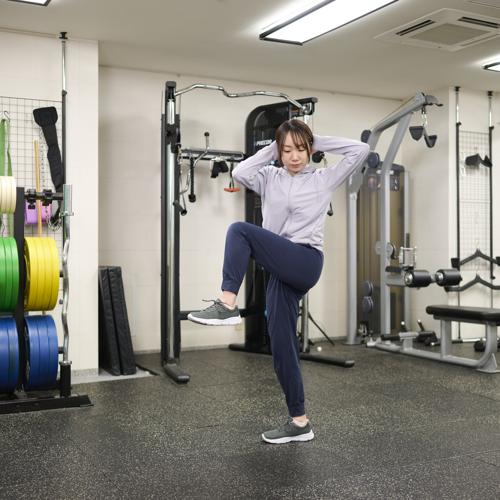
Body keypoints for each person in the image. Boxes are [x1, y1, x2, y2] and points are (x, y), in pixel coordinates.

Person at [188, 119, 370, 444]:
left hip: (304, 260)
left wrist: (314, 140)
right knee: (281, 343)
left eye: (300, 149)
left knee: (239, 231)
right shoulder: (270, 178)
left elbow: (361, 149)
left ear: (309, 150)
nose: (294, 156)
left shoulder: (323, 178)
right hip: (279, 266)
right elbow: (240, 172)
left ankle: (227, 302)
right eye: (286, 150)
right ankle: (300, 422)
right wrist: (273, 148)